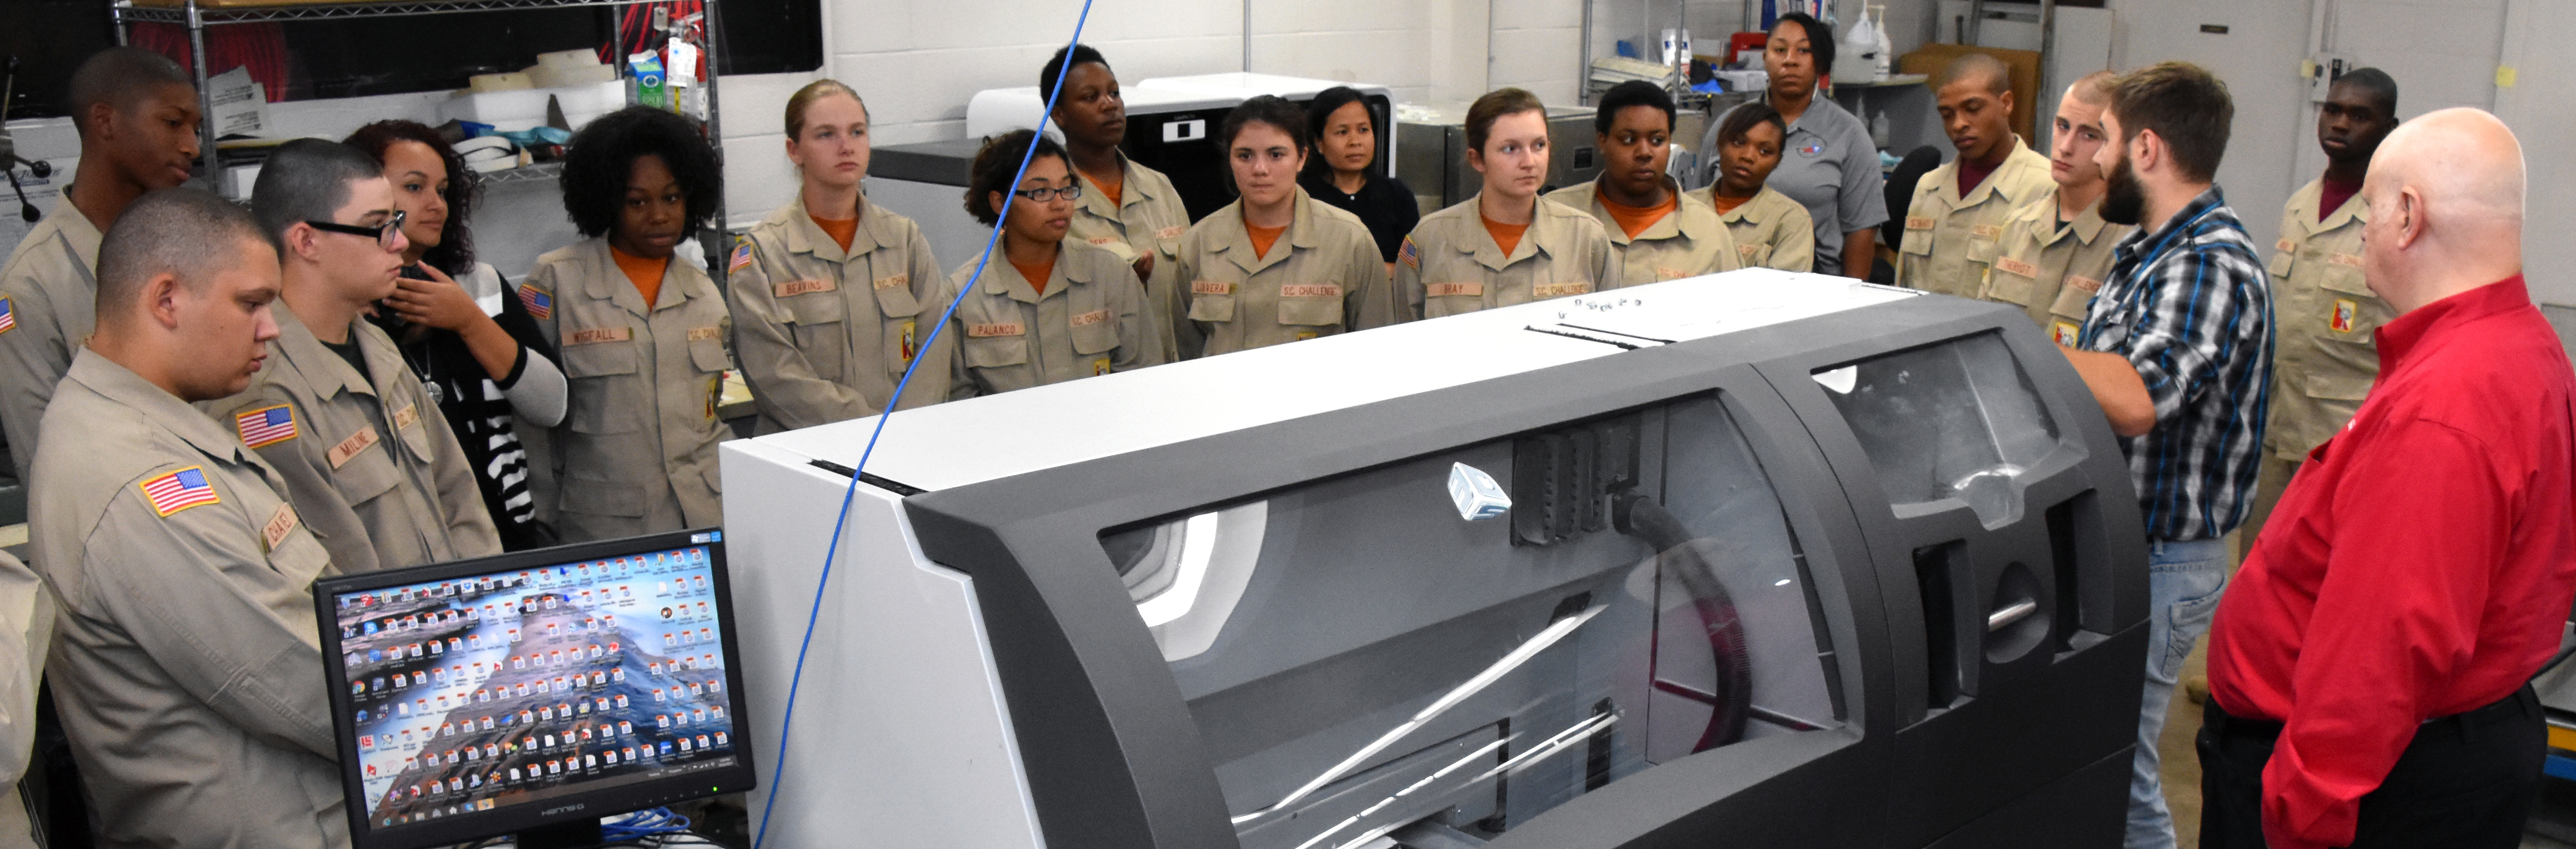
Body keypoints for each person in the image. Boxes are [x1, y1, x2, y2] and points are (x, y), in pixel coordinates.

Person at [2200, 108, 2569, 849]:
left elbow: (2383, 651)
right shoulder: (2517, 347)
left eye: (2369, 209)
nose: (2362, 231)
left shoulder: (2446, 404)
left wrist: (2300, 815)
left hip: (2373, 783)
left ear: (2407, 215)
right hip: (2445, 748)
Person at [30, 187, 341, 847]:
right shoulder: (140, 480)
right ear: (167, 299)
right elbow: (315, 688)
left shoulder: (151, 427)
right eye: (251, 303)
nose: (271, 328)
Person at [2054, 62, 2271, 849]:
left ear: (2146, 148)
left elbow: (2137, 398)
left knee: (2118, 773)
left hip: (2164, 558)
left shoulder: (2206, 260)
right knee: (2094, 756)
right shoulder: (2149, 249)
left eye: (2104, 139)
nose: (2094, 159)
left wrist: (2005, 338)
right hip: (2125, 542)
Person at [205, 139, 499, 576]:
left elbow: (458, 497)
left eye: (395, 221)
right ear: (307, 241)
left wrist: (487, 602)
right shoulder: (263, 393)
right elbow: (325, 577)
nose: (399, 242)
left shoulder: (375, 347)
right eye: (378, 225)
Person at [345, 119, 568, 551]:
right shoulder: (350, 303)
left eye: (443, 191)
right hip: (414, 543)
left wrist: (469, 321)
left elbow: (553, 405)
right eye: (414, 188)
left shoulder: (479, 284)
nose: (437, 205)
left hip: (508, 531)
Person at [524, 106, 730, 542]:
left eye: (672, 198)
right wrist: (538, 520)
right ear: (608, 201)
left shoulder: (703, 292)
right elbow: (531, 421)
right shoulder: (557, 281)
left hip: (703, 516)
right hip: (602, 525)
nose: (659, 215)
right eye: (638, 201)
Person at [0, 47, 199, 482]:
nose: (192, 146)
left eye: (195, 128)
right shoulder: (31, 285)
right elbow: (49, 466)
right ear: (106, 121)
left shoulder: (198, 248)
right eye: (173, 123)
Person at [728, 79, 957, 434]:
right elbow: (775, 375)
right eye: (826, 135)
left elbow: (934, 351)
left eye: (857, 132)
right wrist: (867, 433)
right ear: (794, 150)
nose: (846, 146)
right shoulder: (761, 254)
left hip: (906, 446)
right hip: (807, 456)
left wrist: (904, 432)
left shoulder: (904, 239)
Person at [2238, 69, 2401, 556]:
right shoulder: (2299, 205)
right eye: (2332, 110)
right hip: (2277, 431)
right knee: (2260, 571)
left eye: (2358, 115)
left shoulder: (2392, 220)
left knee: (2324, 581)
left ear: (2388, 129)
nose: (2339, 123)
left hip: (2343, 441)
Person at [1174, 96, 1394, 357]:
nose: (1260, 169)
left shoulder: (1349, 240)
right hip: (1224, 396)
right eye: (1245, 156)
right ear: (1230, 159)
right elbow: (1185, 353)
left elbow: (1376, 351)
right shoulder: (1198, 244)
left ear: (1301, 158)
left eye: (1276, 155)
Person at [947, 130, 1162, 395]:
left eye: (1067, 189)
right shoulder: (963, 295)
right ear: (1000, 202)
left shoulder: (1112, 276)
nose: (1060, 204)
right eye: (1041, 192)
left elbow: (1142, 379)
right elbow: (959, 400)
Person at [1396, 88, 1620, 320]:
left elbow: (1612, 334)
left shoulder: (1586, 238)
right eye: (1510, 149)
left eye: (1539, 145)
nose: (1529, 162)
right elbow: (1402, 340)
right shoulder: (1430, 240)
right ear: (1477, 159)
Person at [1693, 12, 1885, 278]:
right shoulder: (1730, 124)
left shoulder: (1848, 134)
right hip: (1717, 274)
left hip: (1813, 280)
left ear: (1820, 62)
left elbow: (1862, 228)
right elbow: (1698, 204)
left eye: (1804, 51)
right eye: (1780, 50)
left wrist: (1851, 303)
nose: (1790, 60)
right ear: (1765, 58)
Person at [1045, 44, 1190, 363]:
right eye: (1090, 97)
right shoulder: (1051, 202)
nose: (1109, 105)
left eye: (1114, 93)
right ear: (1059, 115)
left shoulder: (1159, 186)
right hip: (1100, 382)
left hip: (1173, 378)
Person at [1979, 71, 2134, 343]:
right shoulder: (2018, 226)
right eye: (2063, 126)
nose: (2065, 147)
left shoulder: (2129, 246)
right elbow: (1980, 333)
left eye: (2089, 135)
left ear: (2117, 145)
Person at [1545, 80, 1739, 285]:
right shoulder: (1556, 216)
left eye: (1657, 141)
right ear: (1603, 141)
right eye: (1629, 140)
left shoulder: (1708, 232)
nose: (1645, 153)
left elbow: (1740, 311)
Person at [1898, 53, 2053, 297]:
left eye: (1973, 109)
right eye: (1947, 115)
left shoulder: (2045, 189)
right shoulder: (1930, 188)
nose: (1959, 124)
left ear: (2007, 104)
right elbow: (1905, 285)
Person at [1298, 86, 1420, 269]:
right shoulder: (1302, 196)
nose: (1355, 142)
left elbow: (1413, 267)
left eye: (1363, 130)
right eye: (1343, 132)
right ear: (1319, 143)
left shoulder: (1397, 195)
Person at [1695, 103, 1816, 272]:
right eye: (1739, 143)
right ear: (1720, 144)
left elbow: (1783, 293)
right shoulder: (1682, 208)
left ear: (1777, 162)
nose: (1748, 157)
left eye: (1765, 151)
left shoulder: (1791, 220)